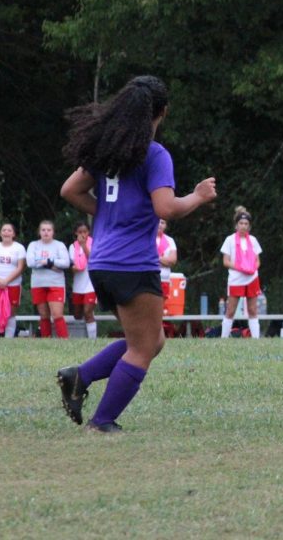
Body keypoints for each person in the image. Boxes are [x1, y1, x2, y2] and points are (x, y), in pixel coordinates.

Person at [57, 75, 217, 433]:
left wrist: (108, 214)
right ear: (163, 111)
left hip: (101, 264)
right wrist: (199, 195)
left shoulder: (106, 150)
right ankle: (101, 422)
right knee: (143, 350)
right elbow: (166, 209)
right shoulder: (154, 153)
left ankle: (79, 377)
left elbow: (69, 189)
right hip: (132, 264)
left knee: (150, 339)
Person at [219, 206, 263, 338]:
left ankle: (256, 339)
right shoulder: (230, 240)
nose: (243, 226)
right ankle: (223, 338)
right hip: (236, 279)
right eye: (241, 223)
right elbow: (226, 261)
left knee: (252, 309)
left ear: (249, 226)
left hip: (252, 278)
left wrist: (252, 269)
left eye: (246, 224)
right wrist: (241, 267)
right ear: (236, 225)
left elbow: (257, 261)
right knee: (231, 310)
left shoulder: (253, 240)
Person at [27, 220, 70, 338]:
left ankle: (64, 341)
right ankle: (46, 340)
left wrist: (47, 262)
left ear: (53, 232)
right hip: (38, 284)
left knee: (57, 314)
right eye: (43, 230)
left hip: (56, 284)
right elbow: (30, 262)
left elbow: (66, 263)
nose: (46, 233)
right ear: (39, 232)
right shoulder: (33, 245)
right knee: (44, 314)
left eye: (49, 230)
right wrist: (53, 265)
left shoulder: (59, 245)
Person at [0, 222, 26, 338]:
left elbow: (20, 267)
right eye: (4, 230)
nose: (6, 232)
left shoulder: (19, 248)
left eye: (9, 230)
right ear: (0, 233)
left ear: (14, 234)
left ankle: (8, 340)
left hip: (13, 285)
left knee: (10, 313)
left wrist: (6, 281)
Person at [69, 220, 97, 338]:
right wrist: (74, 269)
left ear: (88, 232)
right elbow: (73, 264)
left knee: (87, 312)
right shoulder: (72, 246)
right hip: (78, 284)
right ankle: (83, 336)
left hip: (91, 283)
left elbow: (91, 257)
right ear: (76, 233)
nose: (82, 235)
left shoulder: (94, 243)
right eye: (80, 232)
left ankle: (93, 340)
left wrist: (84, 245)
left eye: (85, 232)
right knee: (77, 314)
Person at [156, 219, 178, 298]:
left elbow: (172, 261)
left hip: (164, 279)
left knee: (161, 307)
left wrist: (154, 258)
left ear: (166, 226)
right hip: (148, 278)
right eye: (157, 222)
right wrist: (164, 260)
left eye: (162, 222)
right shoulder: (146, 238)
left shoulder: (170, 240)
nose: (160, 224)